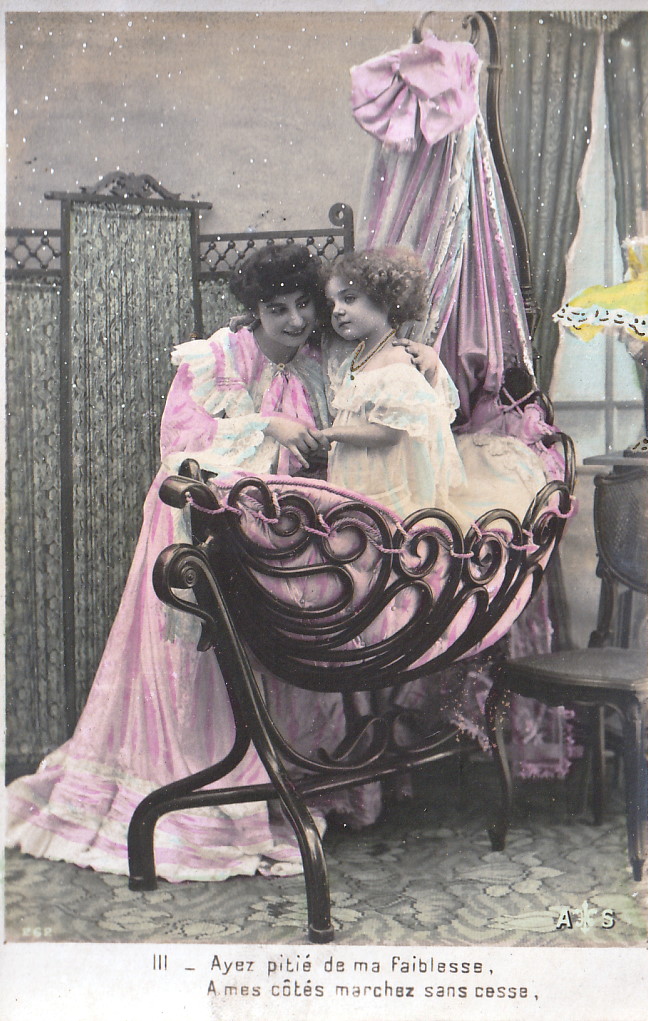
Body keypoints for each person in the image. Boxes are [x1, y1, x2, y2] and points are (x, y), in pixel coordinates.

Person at [5, 244, 375, 883]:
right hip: (204, 525)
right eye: (277, 309)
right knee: (207, 663)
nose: (294, 320)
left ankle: (286, 781)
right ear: (254, 311)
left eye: (304, 305)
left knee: (289, 645)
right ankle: (213, 787)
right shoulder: (218, 359)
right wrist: (269, 427)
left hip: (281, 532)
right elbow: (181, 448)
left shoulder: (321, 364)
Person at [318, 247, 548, 529]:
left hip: (383, 476)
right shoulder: (358, 357)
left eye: (349, 299)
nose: (338, 311)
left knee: (384, 529)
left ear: (384, 300)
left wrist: (332, 434)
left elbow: (389, 434)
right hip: (358, 469)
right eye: (332, 303)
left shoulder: (397, 359)